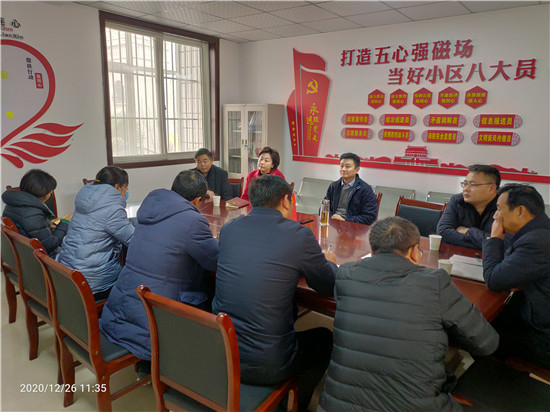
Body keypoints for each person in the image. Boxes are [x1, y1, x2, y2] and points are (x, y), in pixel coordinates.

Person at [319, 216, 499, 411]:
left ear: (373, 251)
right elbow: (487, 342)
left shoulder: (346, 275)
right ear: (414, 252)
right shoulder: (435, 282)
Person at [213, 174, 337, 411]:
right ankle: (294, 404)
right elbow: (327, 285)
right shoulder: (298, 234)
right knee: (324, 338)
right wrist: (328, 261)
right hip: (268, 363)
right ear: (286, 200)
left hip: (223, 350)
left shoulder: (229, 229)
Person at [100, 170, 219, 361]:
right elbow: (213, 260)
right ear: (197, 200)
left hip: (119, 310)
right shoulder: (192, 221)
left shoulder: (149, 208)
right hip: (152, 324)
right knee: (211, 291)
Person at [483, 184, 550, 368]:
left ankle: (494, 379)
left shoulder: (537, 242)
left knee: (478, 333)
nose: (495, 216)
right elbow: (508, 266)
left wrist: (494, 238)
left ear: (520, 211)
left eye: (499, 209)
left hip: (541, 337)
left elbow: (494, 280)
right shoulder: (540, 231)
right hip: (534, 313)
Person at [57, 166, 134, 300]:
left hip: (67, 271)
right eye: (125, 188)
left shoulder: (85, 200)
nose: (126, 192)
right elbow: (134, 240)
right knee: (135, 282)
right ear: (117, 187)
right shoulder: (112, 209)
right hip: (91, 281)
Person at [2, 169, 72, 257]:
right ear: (42, 192)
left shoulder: (13, 203)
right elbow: (50, 245)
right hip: (42, 259)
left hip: (23, 254)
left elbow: (28, 228)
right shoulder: (33, 213)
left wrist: (47, 224)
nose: (50, 195)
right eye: (50, 192)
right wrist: (65, 222)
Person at [437, 164, 501, 249]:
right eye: (465, 184)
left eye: (473, 185)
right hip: (460, 254)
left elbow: (501, 244)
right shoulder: (458, 201)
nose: (465, 189)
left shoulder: (504, 207)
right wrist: (484, 241)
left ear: (492, 188)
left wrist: (468, 231)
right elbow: (443, 232)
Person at [324, 152, 378, 225]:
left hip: (352, 227)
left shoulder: (365, 189)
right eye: (341, 166)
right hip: (333, 224)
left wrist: (345, 220)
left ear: (357, 169)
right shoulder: (333, 186)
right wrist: (332, 217)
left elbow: (370, 217)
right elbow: (323, 208)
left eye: (347, 166)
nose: (343, 169)